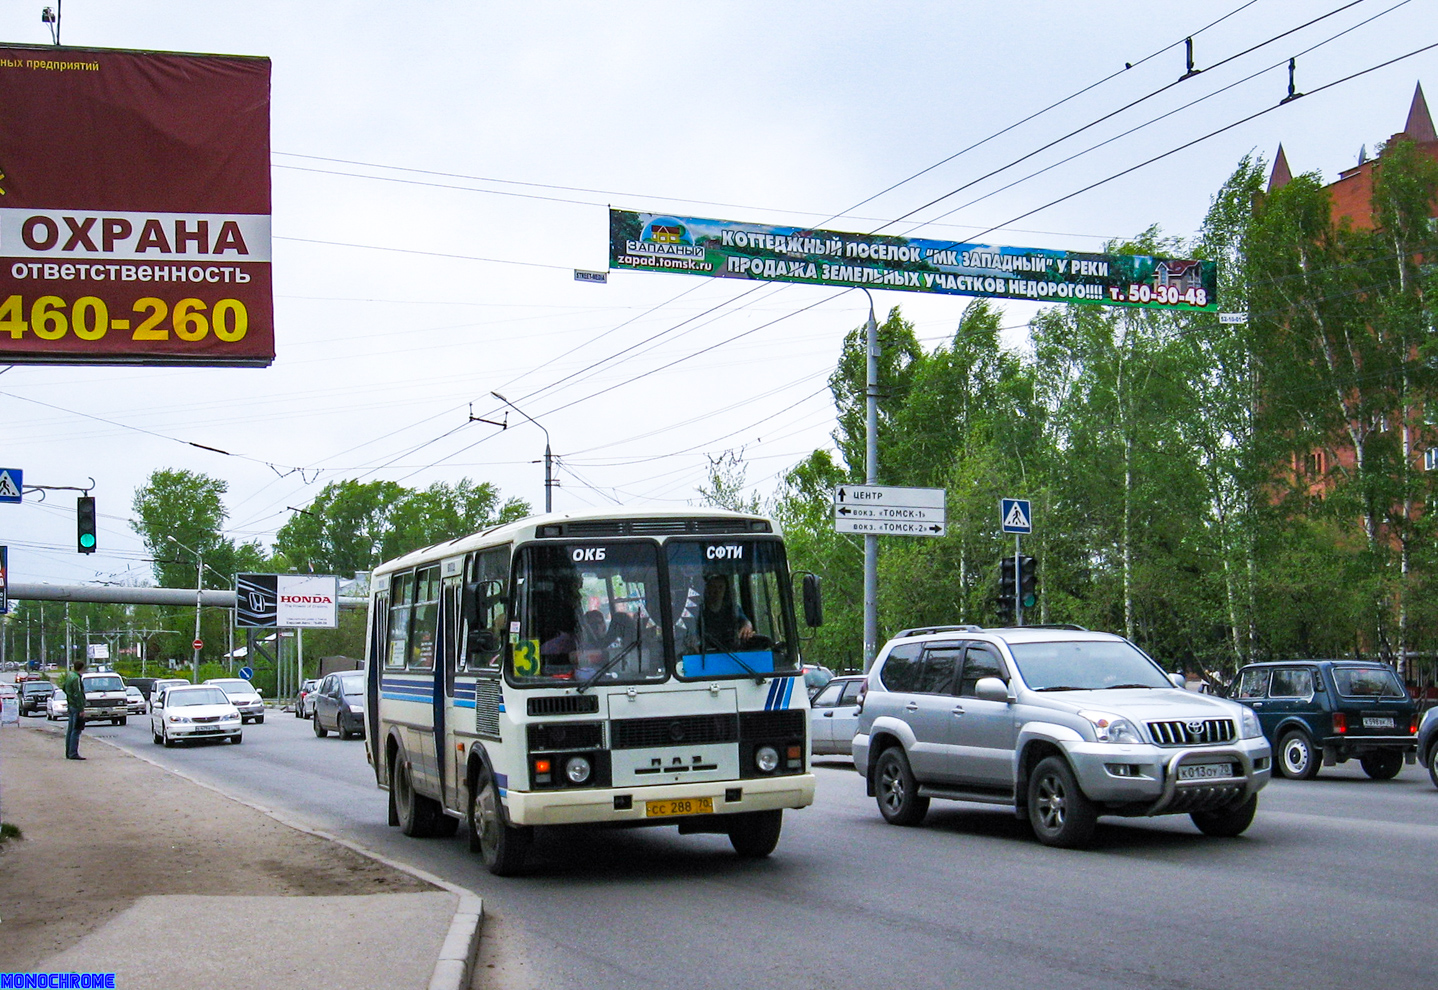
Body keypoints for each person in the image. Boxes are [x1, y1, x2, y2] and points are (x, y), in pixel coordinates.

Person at [699, 574, 754, 652]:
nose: (717, 591)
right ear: (707, 589)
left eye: (720, 587)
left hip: (732, 654)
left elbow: (746, 622)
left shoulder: (733, 609)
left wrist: (747, 626)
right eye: (713, 587)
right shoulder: (699, 611)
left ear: (725, 590)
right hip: (705, 656)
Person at [59, 657, 87, 760]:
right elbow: (78, 694)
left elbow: (64, 688)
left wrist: (69, 697)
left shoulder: (70, 676)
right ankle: (73, 753)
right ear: (82, 668)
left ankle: (68, 752)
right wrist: (81, 708)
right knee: (76, 730)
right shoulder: (76, 678)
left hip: (70, 705)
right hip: (76, 706)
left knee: (70, 730)